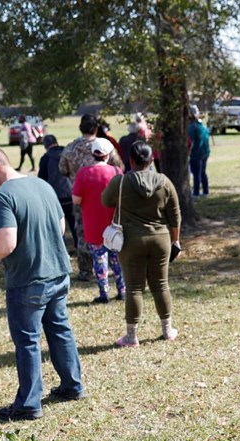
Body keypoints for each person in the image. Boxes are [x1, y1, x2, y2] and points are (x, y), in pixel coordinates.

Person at [0, 145, 85, 420]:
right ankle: (72, 385)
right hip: (57, 272)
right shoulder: (42, 184)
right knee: (60, 330)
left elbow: (6, 243)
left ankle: (28, 404)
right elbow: (60, 227)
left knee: (28, 341)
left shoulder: (1, 196)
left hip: (27, 280)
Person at [101, 141, 181, 347]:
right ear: (151, 160)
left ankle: (131, 336)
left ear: (131, 161)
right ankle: (167, 330)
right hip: (161, 239)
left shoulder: (120, 182)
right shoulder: (164, 182)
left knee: (135, 288)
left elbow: (105, 201)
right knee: (161, 284)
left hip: (131, 240)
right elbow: (175, 216)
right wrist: (176, 240)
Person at [72, 137, 125, 304]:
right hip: (114, 223)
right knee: (117, 258)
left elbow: (76, 199)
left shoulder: (83, 173)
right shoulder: (116, 172)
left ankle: (104, 294)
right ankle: (122, 290)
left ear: (93, 154)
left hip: (93, 223)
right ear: (108, 154)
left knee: (99, 260)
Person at [60, 113, 100, 282]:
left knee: (82, 232)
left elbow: (62, 169)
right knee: (107, 230)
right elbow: (118, 166)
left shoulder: (70, 148)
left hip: (80, 196)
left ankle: (85, 270)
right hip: (104, 195)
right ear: (96, 128)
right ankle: (109, 267)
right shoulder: (104, 146)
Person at [37, 134, 77, 251]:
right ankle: (78, 246)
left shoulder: (45, 158)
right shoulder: (68, 154)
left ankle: (63, 250)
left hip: (55, 197)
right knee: (74, 224)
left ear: (45, 145)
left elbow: (42, 179)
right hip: (71, 194)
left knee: (59, 226)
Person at [188, 109, 210, 198]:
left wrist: (188, 153)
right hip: (205, 152)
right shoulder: (202, 126)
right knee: (202, 172)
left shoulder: (192, 127)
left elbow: (190, 142)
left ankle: (196, 193)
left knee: (196, 173)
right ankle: (205, 191)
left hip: (196, 153)